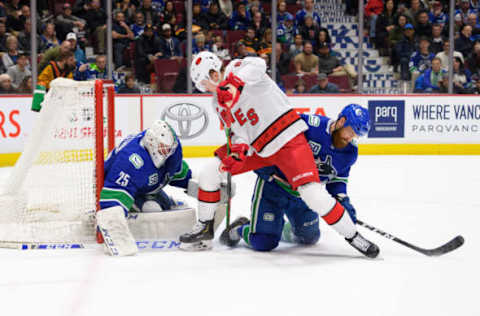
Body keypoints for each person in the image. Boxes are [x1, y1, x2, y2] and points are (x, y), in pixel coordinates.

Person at [182, 51, 379, 258]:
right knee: (210, 170)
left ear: (213, 74)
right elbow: (237, 131)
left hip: (287, 137)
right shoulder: (217, 103)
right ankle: (205, 226)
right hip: (257, 147)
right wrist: (239, 150)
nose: (205, 89)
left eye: (204, 83)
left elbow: (258, 64)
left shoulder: (237, 68)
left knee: (311, 193)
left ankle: (354, 237)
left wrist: (234, 82)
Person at [220, 105, 369, 252]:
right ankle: (240, 228)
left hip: (304, 196)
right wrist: (264, 163)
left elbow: (336, 180)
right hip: (274, 187)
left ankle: (278, 228)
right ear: (341, 121)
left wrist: (342, 201)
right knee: (263, 242)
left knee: (309, 238)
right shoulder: (309, 125)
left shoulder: (349, 153)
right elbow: (273, 130)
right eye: (350, 132)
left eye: (356, 136)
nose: (351, 138)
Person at [95, 120, 194, 256]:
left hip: (145, 187)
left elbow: (176, 174)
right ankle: (131, 212)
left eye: (168, 149)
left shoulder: (172, 151)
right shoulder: (131, 161)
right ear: (152, 143)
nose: (167, 152)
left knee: (163, 207)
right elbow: (113, 195)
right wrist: (112, 225)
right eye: (163, 148)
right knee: (151, 208)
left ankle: (164, 201)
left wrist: (203, 187)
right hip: (116, 185)